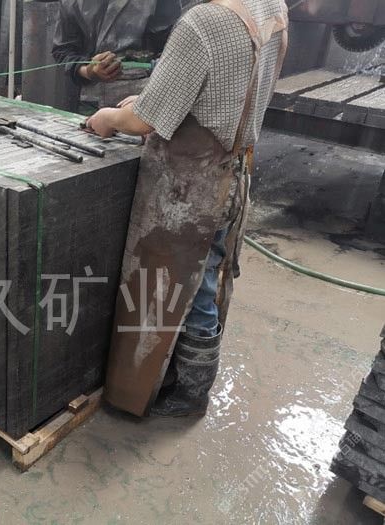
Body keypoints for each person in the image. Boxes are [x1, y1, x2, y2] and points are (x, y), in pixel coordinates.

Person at [85, 0, 289, 417]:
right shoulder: (271, 7)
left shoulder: (204, 22)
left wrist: (108, 117)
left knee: (186, 290)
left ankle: (191, 392)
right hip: (231, 172)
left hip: (190, 188)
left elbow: (141, 123)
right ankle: (183, 378)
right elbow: (221, 89)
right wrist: (149, 100)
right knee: (204, 279)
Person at [51, 0, 182, 112]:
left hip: (144, 99)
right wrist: (88, 71)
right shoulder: (72, 3)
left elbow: (176, 50)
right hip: (90, 101)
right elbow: (63, 50)